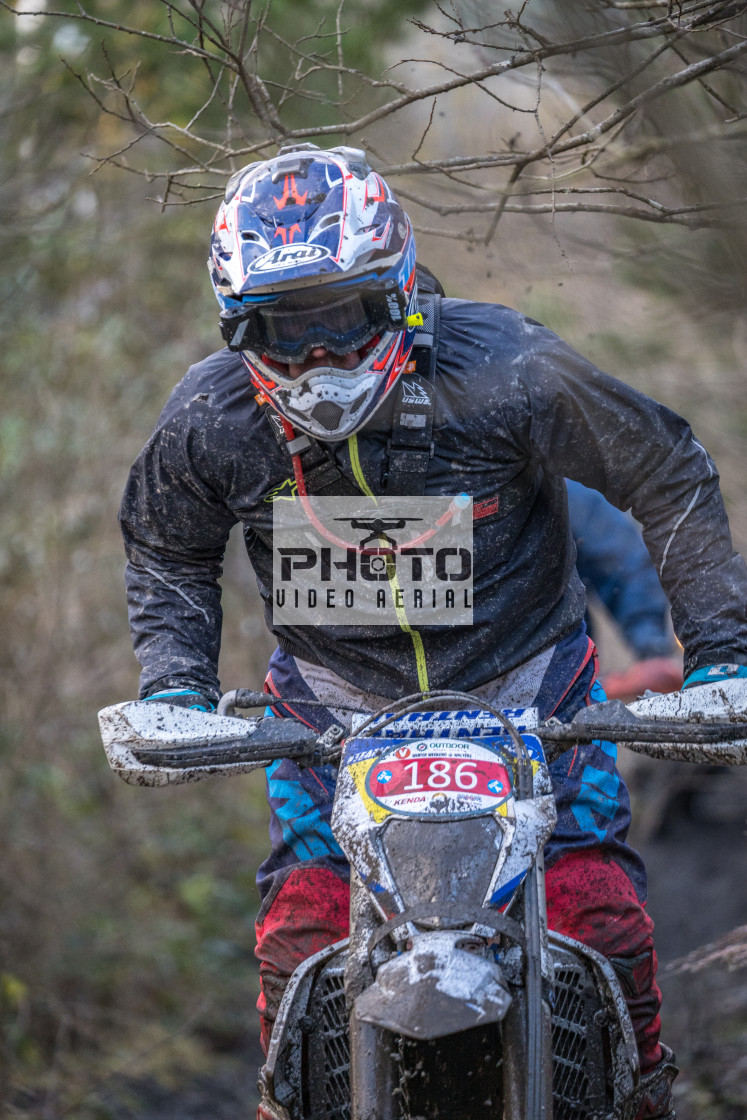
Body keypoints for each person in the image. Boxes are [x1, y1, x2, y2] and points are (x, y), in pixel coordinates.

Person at [119, 143, 747, 1120]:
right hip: (334, 717)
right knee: (302, 931)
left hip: (529, 697)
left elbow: (662, 469)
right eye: (287, 329)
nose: (319, 356)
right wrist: (173, 686)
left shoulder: (504, 366)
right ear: (241, 329)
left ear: (397, 293)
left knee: (600, 917)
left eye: (338, 319)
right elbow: (165, 541)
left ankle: (643, 1094)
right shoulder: (214, 418)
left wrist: (721, 653)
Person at [566, 479, 683, 701]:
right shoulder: (478, 499)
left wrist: (652, 650)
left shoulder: (557, 490)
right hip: (486, 682)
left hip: (565, 673)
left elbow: (623, 561)